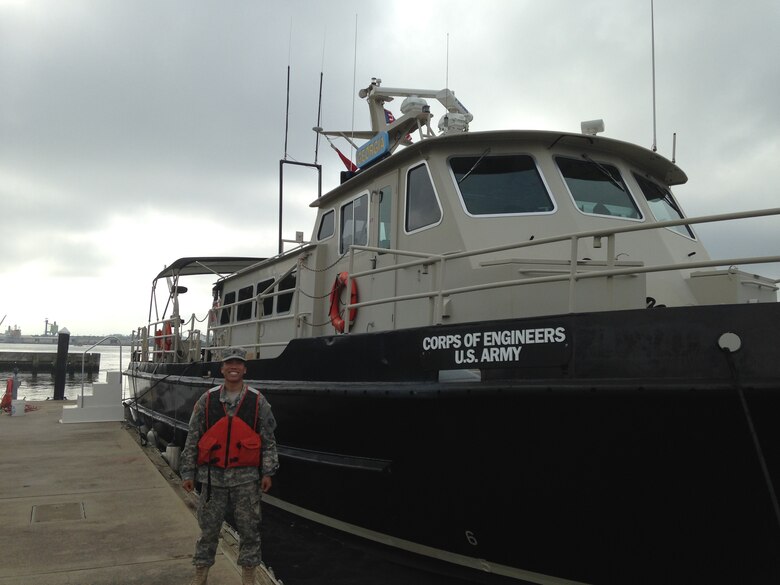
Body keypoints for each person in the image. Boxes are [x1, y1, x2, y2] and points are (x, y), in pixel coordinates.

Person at [180, 347, 279, 585]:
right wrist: (188, 472)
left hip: (246, 480)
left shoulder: (258, 401)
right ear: (222, 368)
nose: (233, 367)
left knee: (250, 531)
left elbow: (268, 440)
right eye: (228, 364)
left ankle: (248, 578)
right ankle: (200, 577)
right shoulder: (207, 400)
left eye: (238, 364)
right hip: (213, 479)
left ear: (244, 369)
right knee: (208, 531)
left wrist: (268, 471)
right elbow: (193, 437)